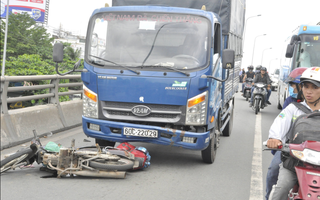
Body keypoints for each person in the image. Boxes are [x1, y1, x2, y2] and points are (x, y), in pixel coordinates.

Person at [267, 66, 320, 200]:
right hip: (295, 160)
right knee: (280, 185)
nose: (309, 91)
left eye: (315, 87)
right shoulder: (293, 109)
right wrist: (274, 138)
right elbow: (279, 124)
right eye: (306, 86)